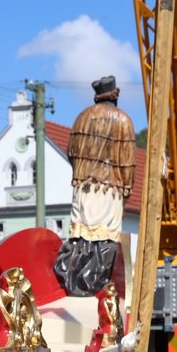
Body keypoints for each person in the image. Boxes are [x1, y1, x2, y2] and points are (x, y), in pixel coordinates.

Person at [53, 75, 135, 296]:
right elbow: (128, 158)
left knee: (81, 234)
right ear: (114, 94)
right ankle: (99, 284)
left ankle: (74, 281)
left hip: (83, 186)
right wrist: (127, 186)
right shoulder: (122, 120)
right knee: (106, 235)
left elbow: (72, 151)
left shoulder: (82, 118)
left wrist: (84, 172)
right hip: (110, 186)